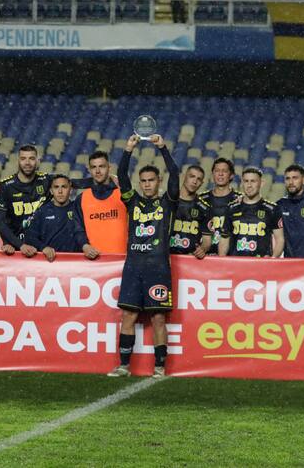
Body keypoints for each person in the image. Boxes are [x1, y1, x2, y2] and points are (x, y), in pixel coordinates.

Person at [107, 134, 179, 378]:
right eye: (144, 181)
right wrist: (128, 149)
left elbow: (175, 173)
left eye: (151, 180)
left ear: (159, 181)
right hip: (133, 267)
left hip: (158, 268)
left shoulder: (168, 202)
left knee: (158, 318)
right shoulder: (133, 201)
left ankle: (159, 367)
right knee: (128, 315)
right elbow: (122, 174)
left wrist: (163, 147)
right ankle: (123, 366)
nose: (147, 184)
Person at [0, 144, 91, 252]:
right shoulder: (6, 186)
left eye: (31, 158)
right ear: (18, 161)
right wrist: (18, 244)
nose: (27, 162)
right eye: (23, 158)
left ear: (38, 161)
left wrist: (103, 181)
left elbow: (71, 183)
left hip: (41, 247)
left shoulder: (46, 180)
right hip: (16, 247)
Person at [20, 175, 100, 262]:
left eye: (64, 187)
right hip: (50, 263)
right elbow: (30, 237)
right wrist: (43, 247)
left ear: (71, 190)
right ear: (51, 191)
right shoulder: (42, 211)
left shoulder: (78, 209)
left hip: (76, 263)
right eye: (56, 187)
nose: (60, 191)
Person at [218, 167, 283, 258]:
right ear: (242, 183)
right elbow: (224, 238)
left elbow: (280, 239)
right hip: (236, 263)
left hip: (261, 264)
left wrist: (272, 259)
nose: (249, 185)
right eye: (246, 181)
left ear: (261, 183)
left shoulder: (272, 209)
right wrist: (222, 260)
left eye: (253, 181)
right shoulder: (231, 208)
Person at [74, 150, 127, 254]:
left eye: (101, 166)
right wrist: (84, 245)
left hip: (121, 259)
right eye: (94, 167)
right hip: (94, 260)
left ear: (109, 167)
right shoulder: (82, 198)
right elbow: (78, 229)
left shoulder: (123, 195)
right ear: (89, 170)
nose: (97, 171)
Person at [198, 157, 241, 255]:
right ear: (212, 174)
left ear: (231, 175)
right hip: (204, 256)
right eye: (217, 171)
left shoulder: (239, 200)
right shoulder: (201, 199)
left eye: (224, 171)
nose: (220, 174)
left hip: (229, 257)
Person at [170, 165, 212, 258]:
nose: (195, 181)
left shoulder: (205, 208)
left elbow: (207, 240)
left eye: (199, 179)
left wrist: (203, 249)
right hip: (166, 258)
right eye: (192, 176)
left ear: (202, 183)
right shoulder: (168, 201)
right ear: (183, 176)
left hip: (190, 259)